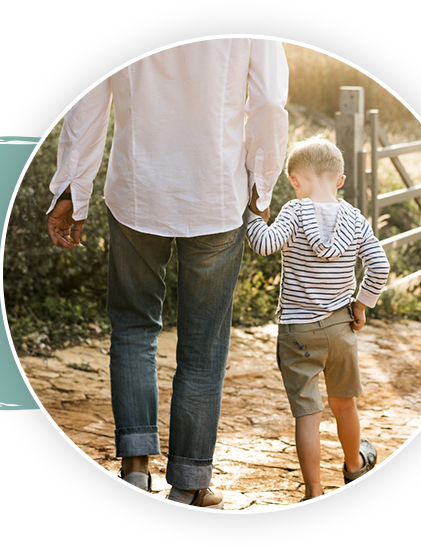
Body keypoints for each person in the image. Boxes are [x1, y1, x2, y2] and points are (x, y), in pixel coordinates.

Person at [45, 38, 289, 509]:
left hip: (138, 191)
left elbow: (89, 100)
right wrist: (261, 183)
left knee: (133, 327)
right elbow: (270, 104)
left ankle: (135, 467)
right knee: (204, 345)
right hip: (216, 195)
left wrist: (72, 190)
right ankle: (190, 482)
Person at [245, 135, 390, 500]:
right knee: (345, 403)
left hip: (298, 332)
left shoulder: (294, 213)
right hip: (341, 328)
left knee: (308, 414)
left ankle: (313, 490)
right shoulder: (355, 219)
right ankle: (355, 467)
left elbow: (263, 244)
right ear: (340, 179)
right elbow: (379, 266)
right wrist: (360, 305)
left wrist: (251, 214)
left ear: (293, 180)